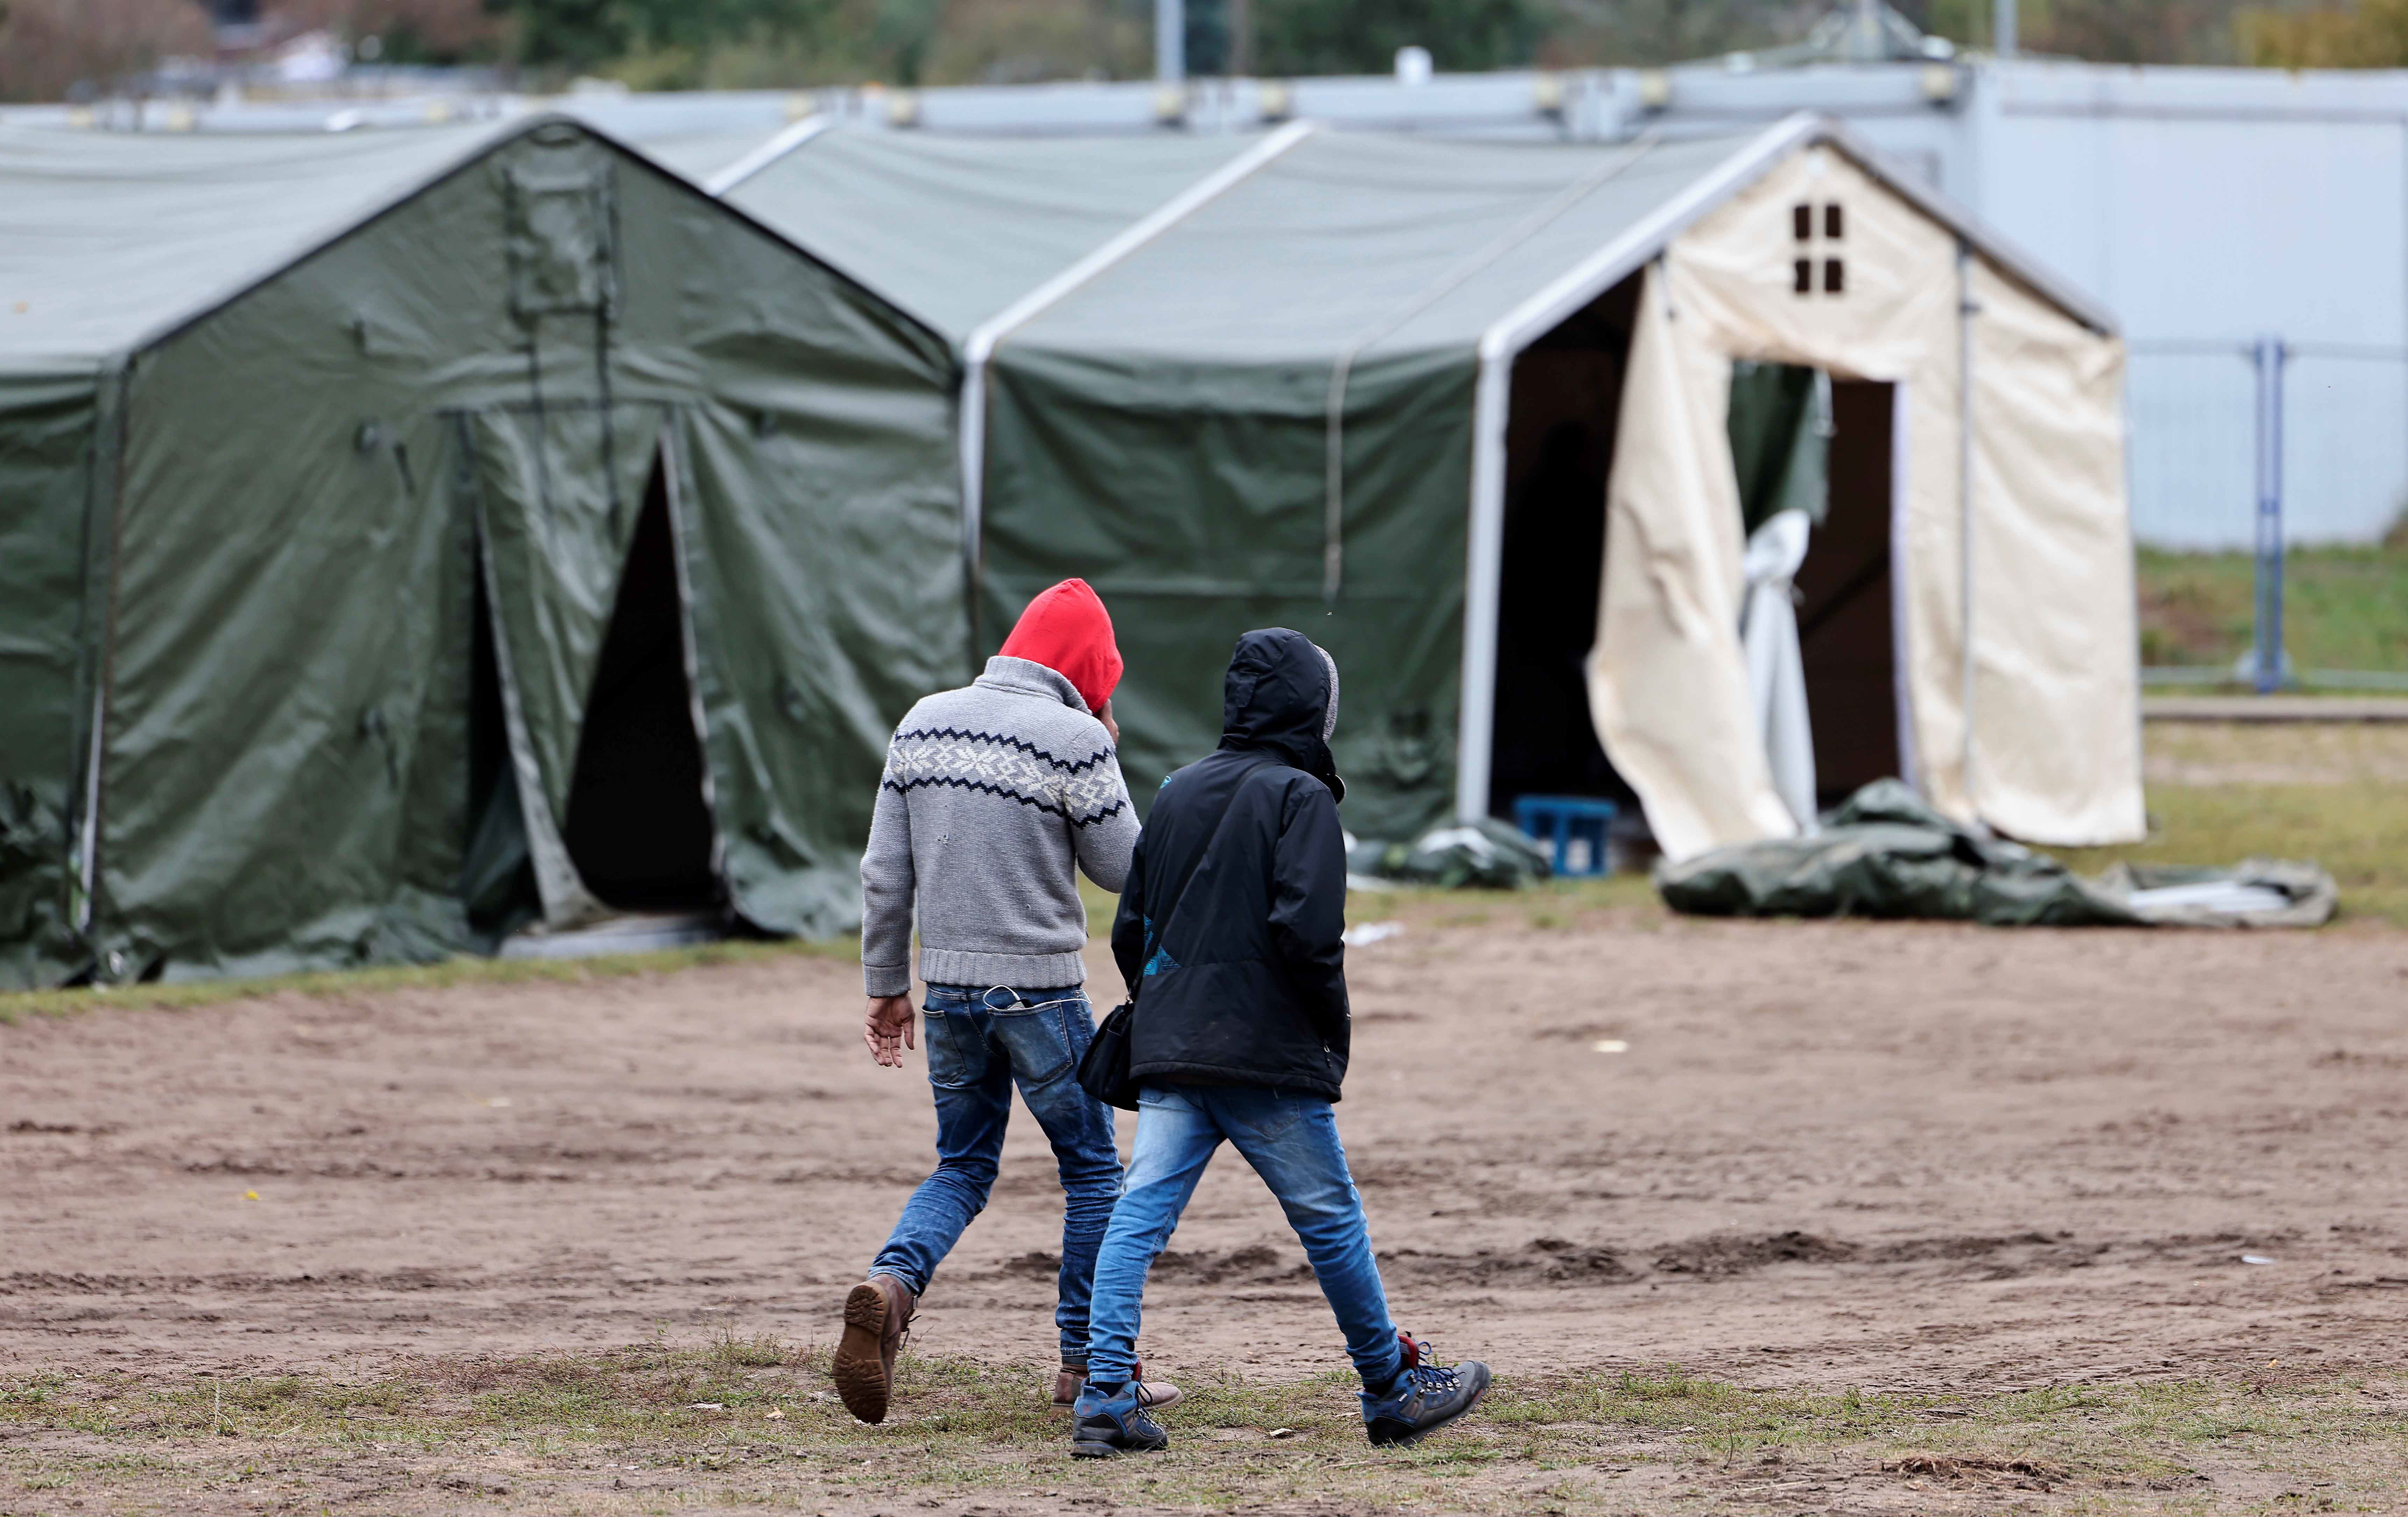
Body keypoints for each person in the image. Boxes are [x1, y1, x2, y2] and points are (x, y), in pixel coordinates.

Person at [1068, 628, 1491, 1459]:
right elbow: (1308, 935)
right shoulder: (1303, 797)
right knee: (1331, 1219)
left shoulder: (1178, 790)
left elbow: (1130, 930)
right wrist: (1326, 1029)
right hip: (1263, 1051)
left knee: (1135, 1216)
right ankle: (1391, 1386)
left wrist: (1166, 1004)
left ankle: (1105, 1392)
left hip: (1173, 1044)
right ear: (1312, 707)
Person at [839, 579, 1179, 1424]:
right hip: (1043, 994)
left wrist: (888, 986)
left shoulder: (922, 719)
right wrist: (1103, 748)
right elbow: (1122, 867)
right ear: (1093, 668)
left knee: (962, 1164)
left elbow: (884, 872)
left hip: (948, 992)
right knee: (1094, 1172)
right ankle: (1085, 1363)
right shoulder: (1073, 735)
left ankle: (892, 1283)